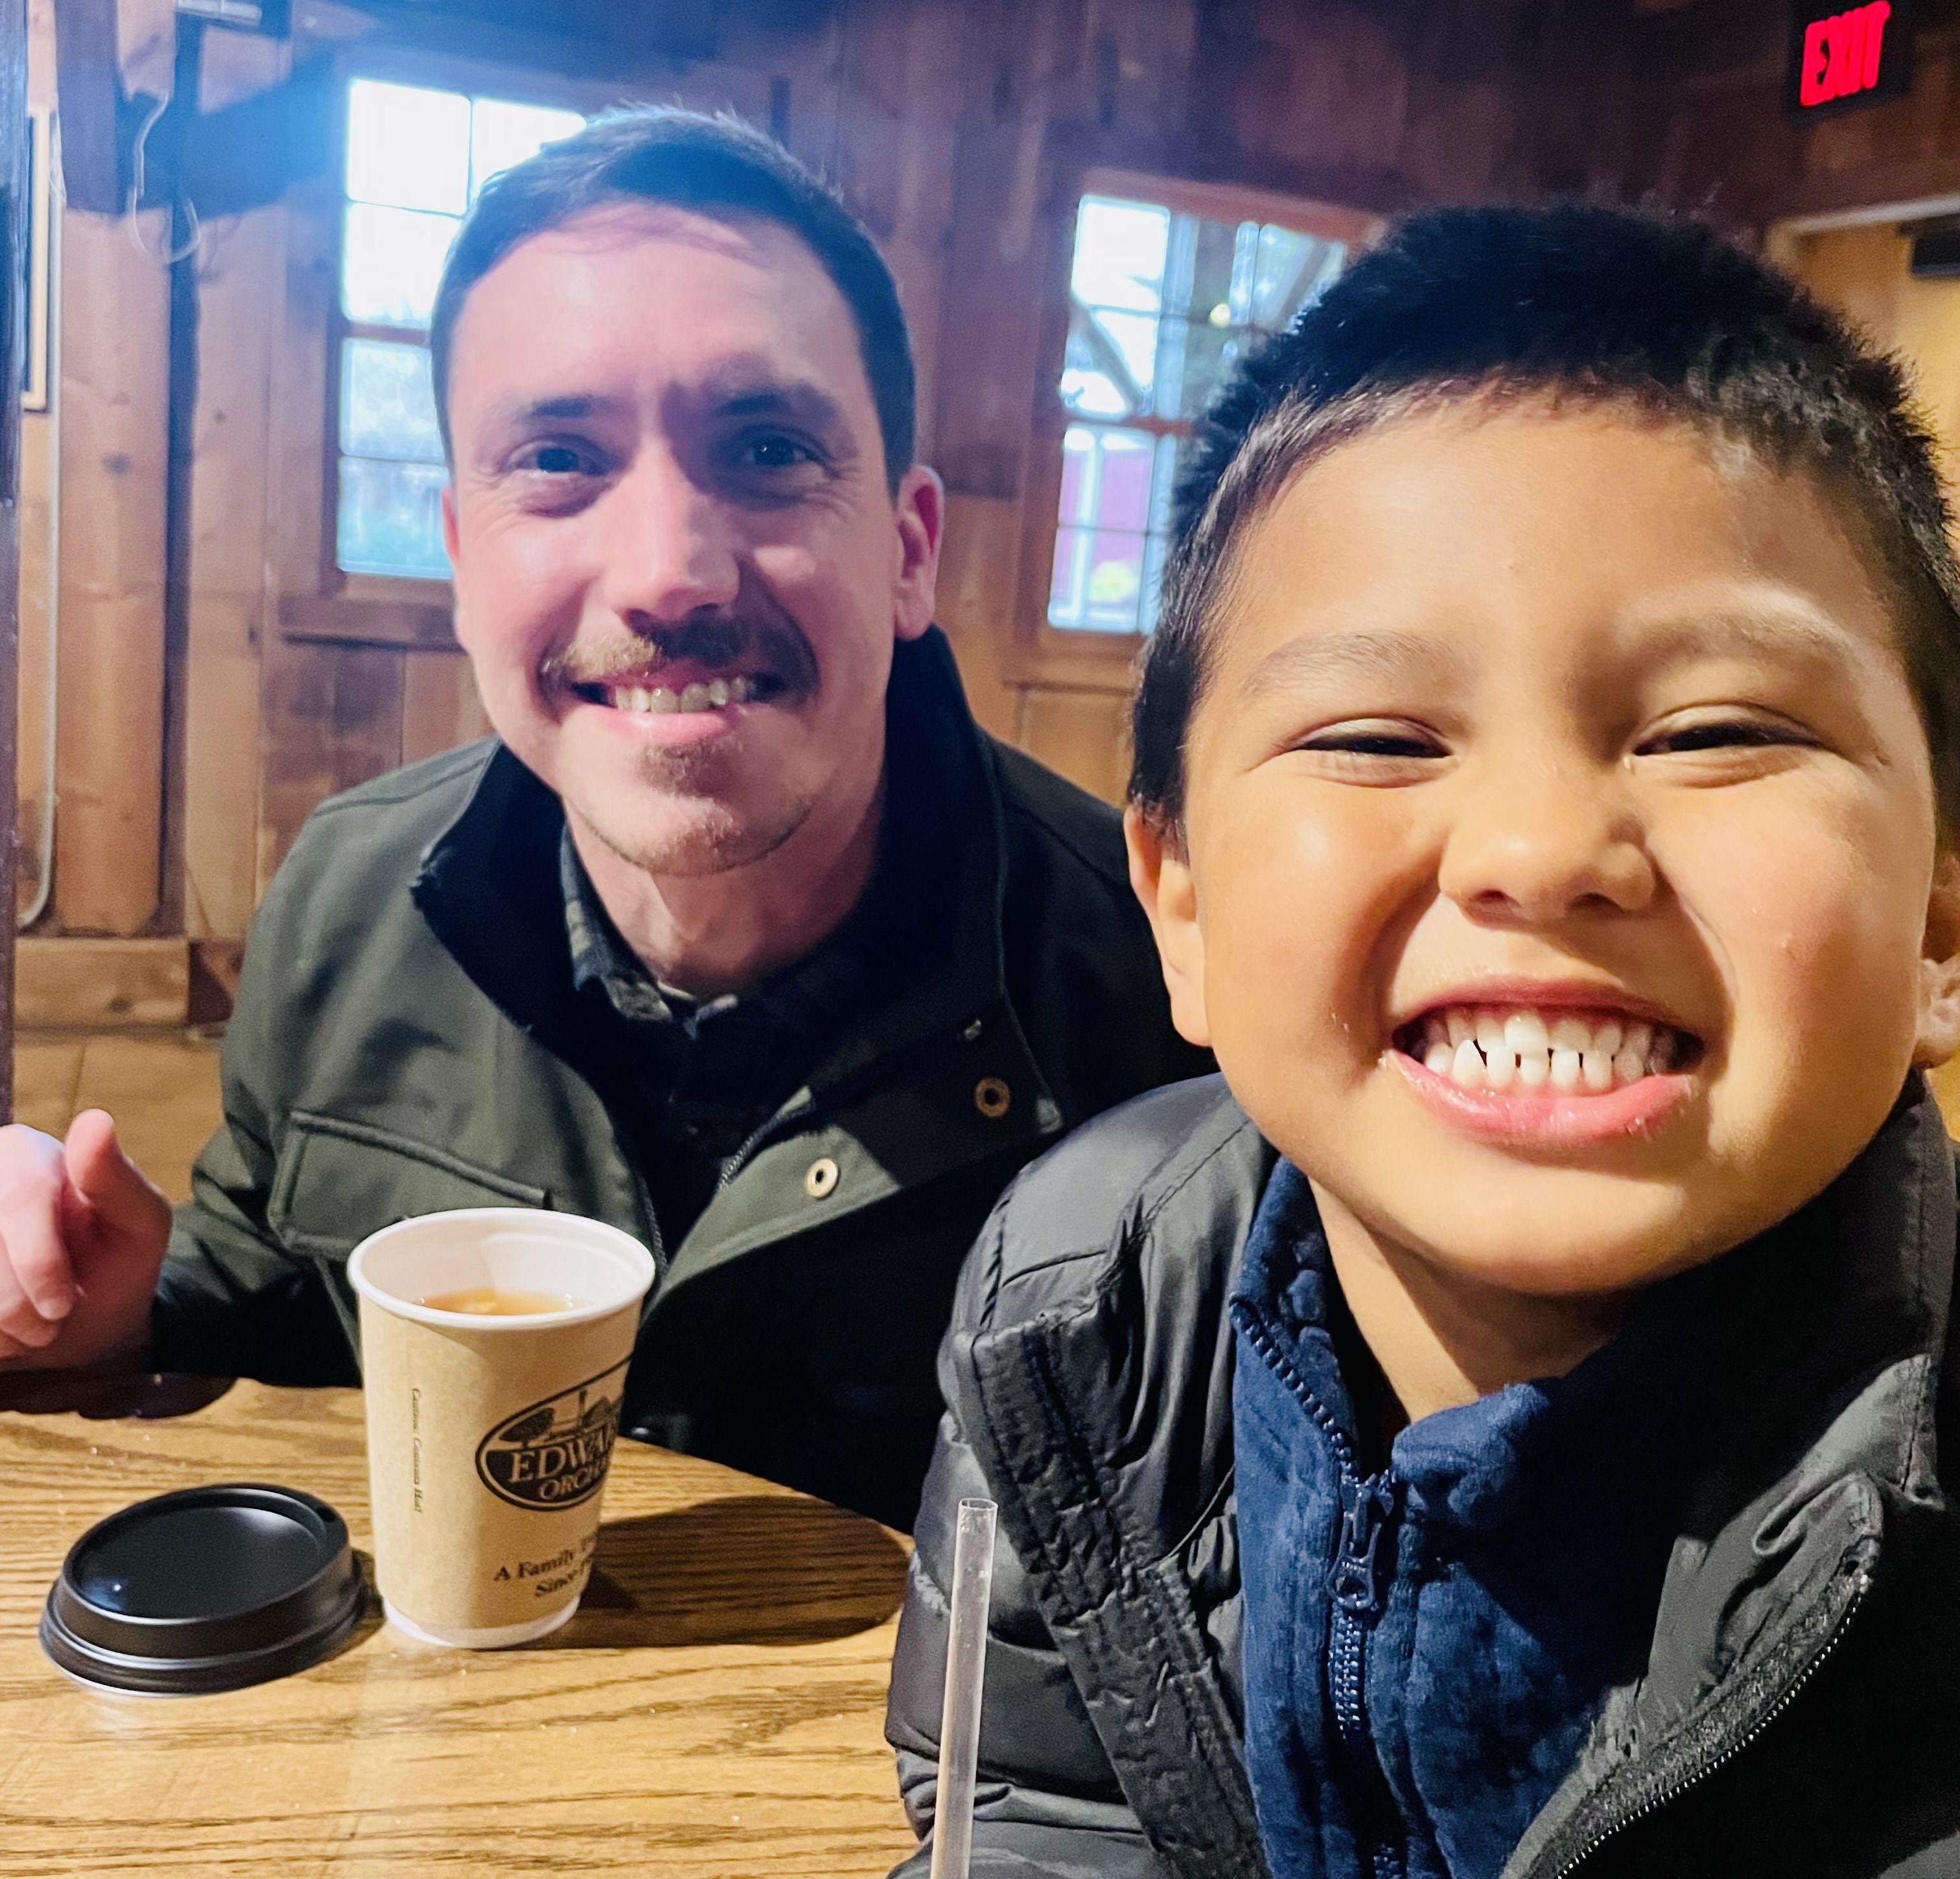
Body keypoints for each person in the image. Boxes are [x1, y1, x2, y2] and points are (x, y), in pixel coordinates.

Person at [885, 205, 1960, 1875]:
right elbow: (1040, 1811)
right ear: (1179, 904)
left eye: (1717, 729)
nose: (1538, 848)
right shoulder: (1083, 1298)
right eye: (1380, 738)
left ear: (1940, 925)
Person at [0, 109, 1206, 1529]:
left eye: (768, 448)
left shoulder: (1159, 991)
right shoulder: (347, 896)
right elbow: (273, 1302)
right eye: (561, 459)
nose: (668, 574)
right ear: (463, 560)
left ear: (907, 549)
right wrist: (109, 1316)